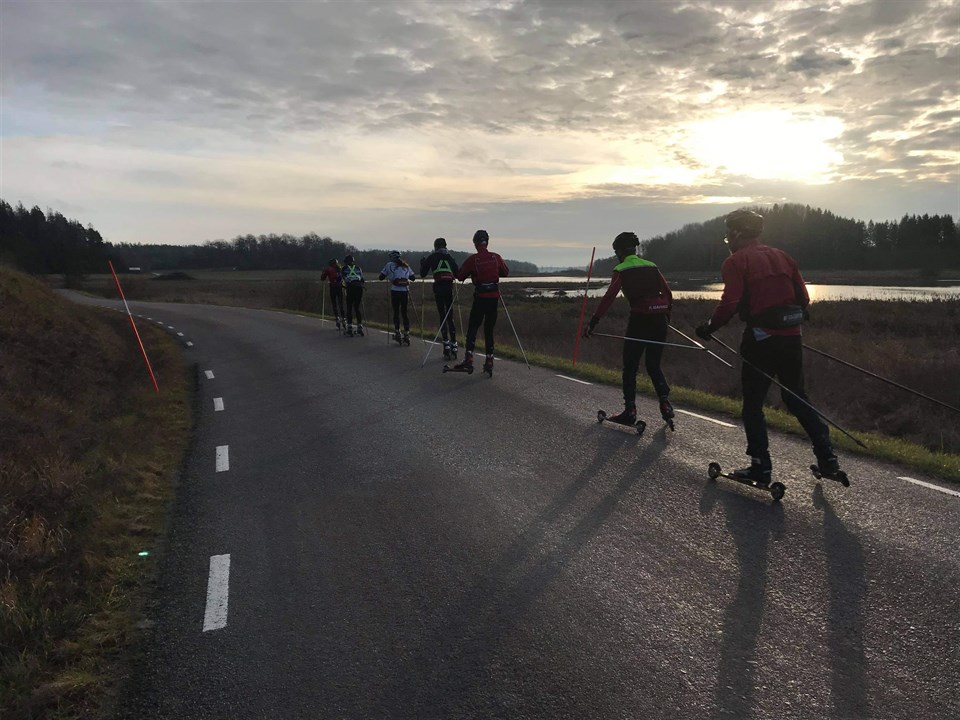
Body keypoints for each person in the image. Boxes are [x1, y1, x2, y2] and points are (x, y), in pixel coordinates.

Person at [695, 208, 843, 485]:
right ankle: (828, 458)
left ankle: (760, 466)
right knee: (796, 396)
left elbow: (730, 303)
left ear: (737, 233)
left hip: (760, 339)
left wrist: (709, 327)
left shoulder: (736, 261)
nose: (727, 239)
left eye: (728, 234)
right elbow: (803, 298)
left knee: (753, 403)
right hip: (792, 336)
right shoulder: (783, 256)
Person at [583, 232, 674, 427]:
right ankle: (665, 404)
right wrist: (666, 316)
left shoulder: (621, 269)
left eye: (616, 252)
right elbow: (668, 293)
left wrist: (593, 322)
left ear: (620, 252)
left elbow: (609, 297)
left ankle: (630, 411)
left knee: (630, 367)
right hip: (659, 320)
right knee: (653, 365)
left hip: (639, 321)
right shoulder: (652, 266)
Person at [453, 230, 509, 375]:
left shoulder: (473, 259)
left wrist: (471, 274)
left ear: (475, 243)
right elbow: (505, 272)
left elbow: (460, 276)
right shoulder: (496, 257)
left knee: (473, 326)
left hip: (481, 297)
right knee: (489, 329)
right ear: (487, 242)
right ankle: (489, 360)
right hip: (494, 297)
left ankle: (469, 359)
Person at [420, 237, 460, 360]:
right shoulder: (450, 257)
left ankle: (446, 344)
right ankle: (454, 344)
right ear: (445, 246)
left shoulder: (432, 257)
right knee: (450, 316)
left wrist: (422, 264)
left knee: (442, 315)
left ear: (435, 247)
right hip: (449, 288)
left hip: (438, 288)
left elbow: (423, 274)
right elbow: (458, 273)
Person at [379, 250, 416, 344]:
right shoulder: (406, 266)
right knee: (404, 312)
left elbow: (381, 277)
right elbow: (413, 278)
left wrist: (389, 276)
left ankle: (397, 331)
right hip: (405, 291)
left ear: (391, 257)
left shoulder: (389, 265)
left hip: (395, 291)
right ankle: (407, 333)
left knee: (396, 312)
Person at [341, 254, 365, 336]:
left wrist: (343, 286)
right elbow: (362, 279)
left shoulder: (344, 268)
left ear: (346, 262)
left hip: (350, 288)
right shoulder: (358, 268)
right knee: (357, 308)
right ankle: (360, 327)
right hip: (359, 288)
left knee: (349, 307)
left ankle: (350, 327)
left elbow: (341, 279)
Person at [319, 258, 346, 330]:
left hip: (333, 287)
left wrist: (323, 272)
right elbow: (343, 278)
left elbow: (322, 278)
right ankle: (343, 319)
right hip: (340, 287)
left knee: (334, 304)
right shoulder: (340, 269)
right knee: (341, 304)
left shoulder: (328, 269)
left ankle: (337, 318)